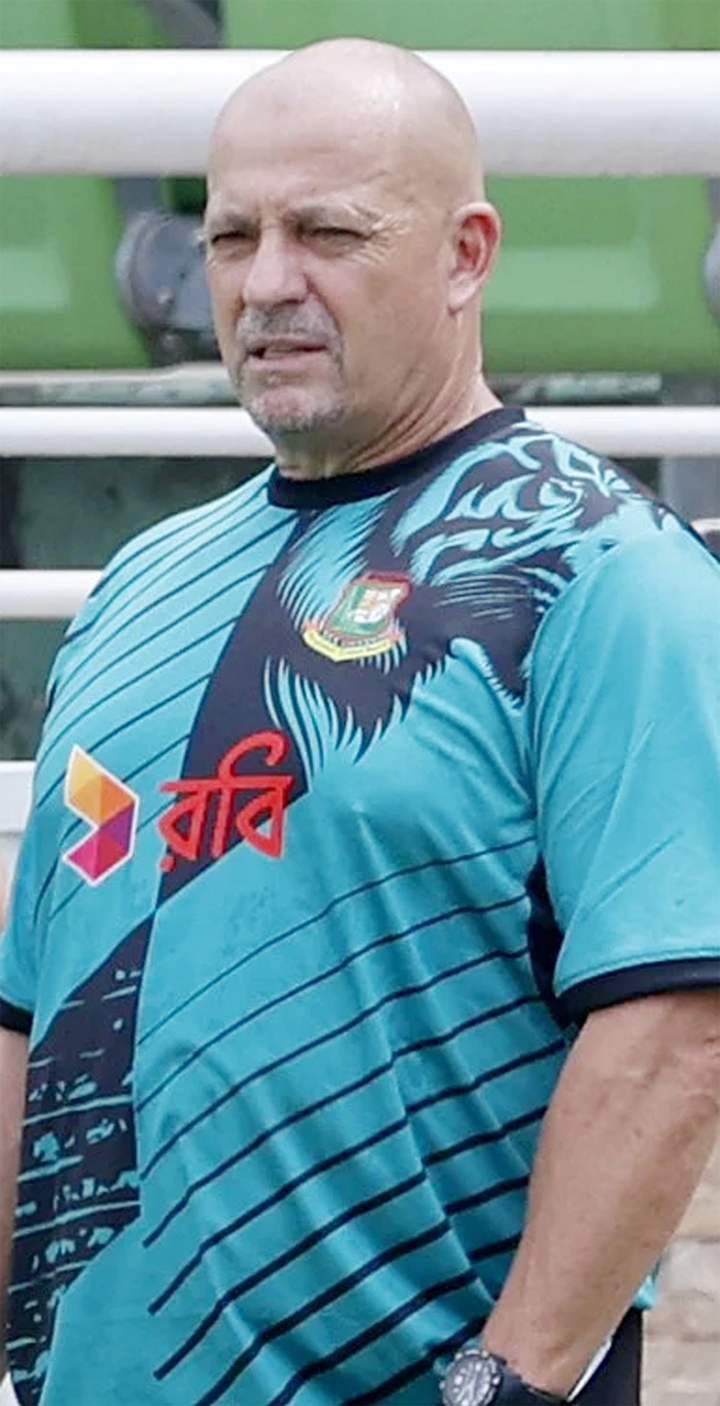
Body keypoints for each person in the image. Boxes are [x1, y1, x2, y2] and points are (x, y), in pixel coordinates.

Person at [0, 37, 718, 1406]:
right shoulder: (136, 589)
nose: (269, 281)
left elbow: (676, 1027)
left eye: (327, 232)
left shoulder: (607, 574)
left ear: (465, 255)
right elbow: (29, 1022)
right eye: (231, 237)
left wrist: (513, 1385)